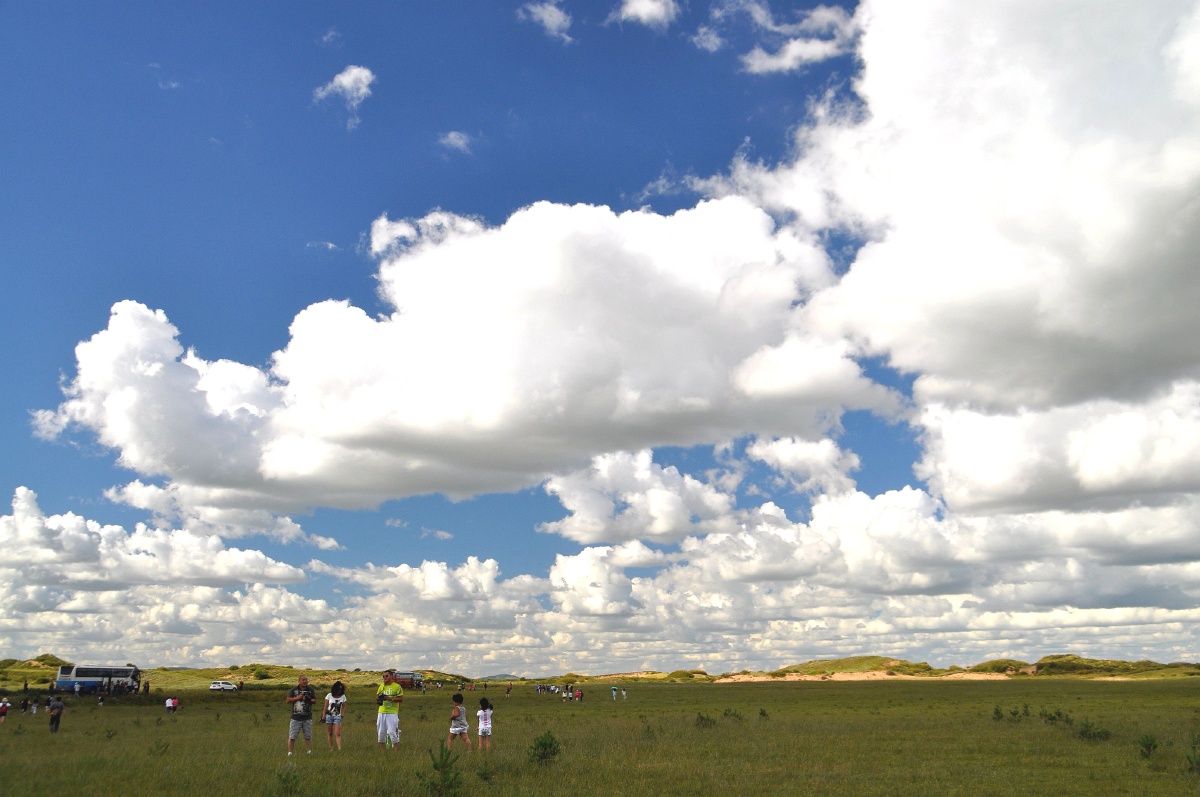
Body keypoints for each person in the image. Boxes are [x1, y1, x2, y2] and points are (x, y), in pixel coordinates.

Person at [286, 674, 317, 756]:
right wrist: (297, 698)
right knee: (292, 736)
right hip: (296, 717)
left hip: (307, 717)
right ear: (299, 681)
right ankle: (290, 752)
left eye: (306, 680)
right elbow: (288, 700)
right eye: (303, 680)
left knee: (308, 736)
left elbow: (314, 701)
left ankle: (309, 751)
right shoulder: (294, 690)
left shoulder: (310, 690)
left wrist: (308, 699)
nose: (305, 681)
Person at [376, 670, 403, 751]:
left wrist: (390, 698)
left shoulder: (397, 687)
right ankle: (383, 752)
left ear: (391, 676)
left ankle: (396, 751)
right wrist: (380, 698)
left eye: (386, 676)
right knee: (381, 733)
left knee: (392, 732)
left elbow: (401, 699)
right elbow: (377, 697)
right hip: (381, 711)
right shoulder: (381, 686)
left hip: (392, 712)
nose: (385, 678)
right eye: (383, 676)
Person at [324, 681, 347, 751]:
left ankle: (339, 748)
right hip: (329, 715)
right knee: (330, 732)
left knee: (337, 733)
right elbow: (325, 706)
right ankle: (331, 748)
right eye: (338, 689)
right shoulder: (329, 695)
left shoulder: (343, 696)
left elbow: (344, 707)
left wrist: (342, 715)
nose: (339, 690)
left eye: (341, 689)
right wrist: (323, 715)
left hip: (337, 716)